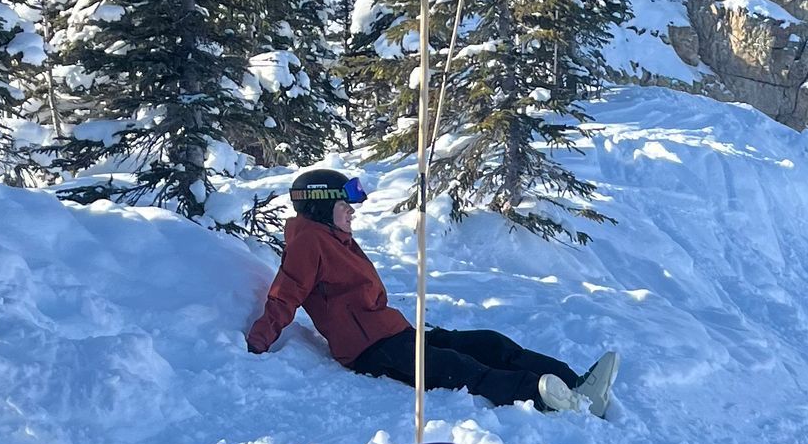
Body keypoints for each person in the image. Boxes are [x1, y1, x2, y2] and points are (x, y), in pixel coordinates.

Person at [244, 166, 620, 417]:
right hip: (371, 350)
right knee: (459, 367)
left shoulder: (335, 238)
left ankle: (576, 383)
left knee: (487, 343)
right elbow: (286, 293)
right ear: (321, 207)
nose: (352, 213)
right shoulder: (309, 242)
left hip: (393, 333)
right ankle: (548, 398)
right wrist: (259, 340)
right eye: (345, 206)